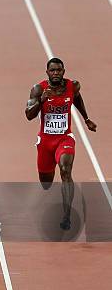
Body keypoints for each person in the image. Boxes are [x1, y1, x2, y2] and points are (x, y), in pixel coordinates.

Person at [25, 57, 96, 230]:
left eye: (59, 70)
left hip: (64, 138)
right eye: (52, 70)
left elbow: (77, 99)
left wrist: (86, 119)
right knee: (46, 183)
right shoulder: (38, 89)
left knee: (65, 170)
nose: (56, 73)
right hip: (46, 141)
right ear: (47, 72)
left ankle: (66, 216)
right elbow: (28, 115)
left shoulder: (73, 86)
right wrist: (41, 100)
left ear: (64, 71)